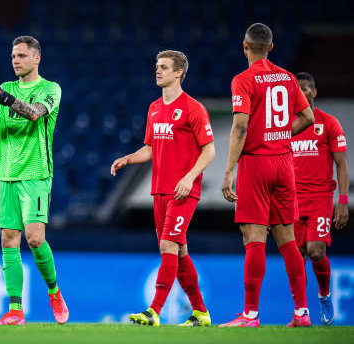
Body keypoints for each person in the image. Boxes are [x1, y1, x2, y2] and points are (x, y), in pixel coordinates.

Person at [220, 23, 315, 327]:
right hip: (284, 163)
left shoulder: (243, 80)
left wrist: (228, 170)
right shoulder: (288, 78)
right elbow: (308, 117)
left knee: (254, 237)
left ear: (245, 46)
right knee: (287, 239)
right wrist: (281, 136)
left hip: (256, 163)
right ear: (271, 47)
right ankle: (302, 312)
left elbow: (241, 127)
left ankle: (250, 314)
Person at [111, 50, 215, 327]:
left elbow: (210, 150)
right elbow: (150, 148)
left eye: (164, 67)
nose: (157, 71)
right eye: (156, 66)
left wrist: (190, 177)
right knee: (178, 252)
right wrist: (128, 158)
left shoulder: (194, 108)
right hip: (159, 190)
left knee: (168, 245)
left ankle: (154, 311)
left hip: (183, 191)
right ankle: (201, 313)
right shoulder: (154, 108)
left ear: (178, 72)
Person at [0, 36, 67, 325]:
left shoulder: (50, 88)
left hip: (36, 174)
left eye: (21, 55)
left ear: (36, 58)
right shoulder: (6, 89)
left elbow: (34, 114)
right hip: (5, 173)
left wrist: (2, 97)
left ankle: (54, 292)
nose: (15, 60)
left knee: (34, 237)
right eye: (13, 56)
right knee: (8, 239)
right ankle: (15, 310)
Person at [292, 72, 349, 326]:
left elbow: (342, 164)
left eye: (304, 89)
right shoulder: (286, 126)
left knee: (315, 252)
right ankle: (301, 311)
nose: (300, 93)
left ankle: (325, 294)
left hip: (320, 198)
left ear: (313, 92)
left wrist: (343, 201)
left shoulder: (328, 123)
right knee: (297, 257)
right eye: (296, 89)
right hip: (291, 199)